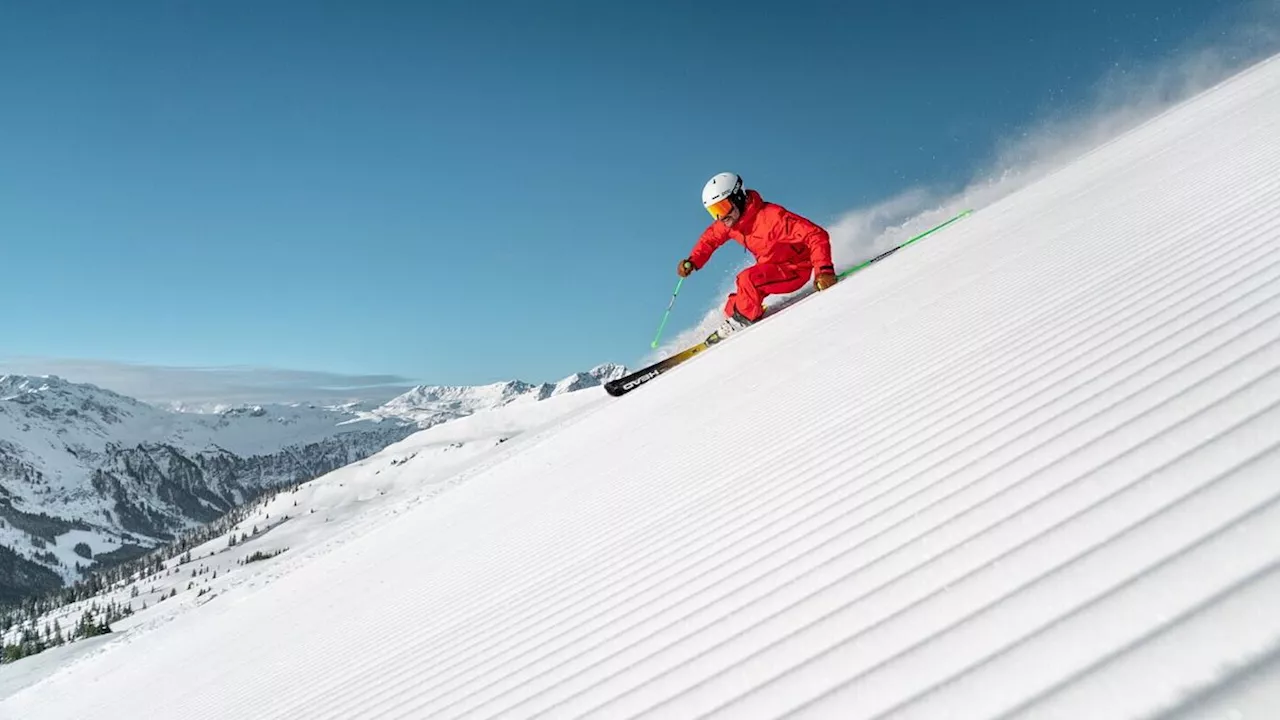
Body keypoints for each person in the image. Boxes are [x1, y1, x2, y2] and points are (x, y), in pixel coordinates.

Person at [678, 172, 838, 340]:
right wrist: (693, 260)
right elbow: (710, 239)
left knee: (748, 280)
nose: (721, 217)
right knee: (733, 304)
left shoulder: (772, 218)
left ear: (738, 197)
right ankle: (740, 315)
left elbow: (815, 234)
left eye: (722, 208)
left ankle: (741, 322)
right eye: (714, 212)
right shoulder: (732, 223)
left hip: (795, 269)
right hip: (770, 269)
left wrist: (824, 270)